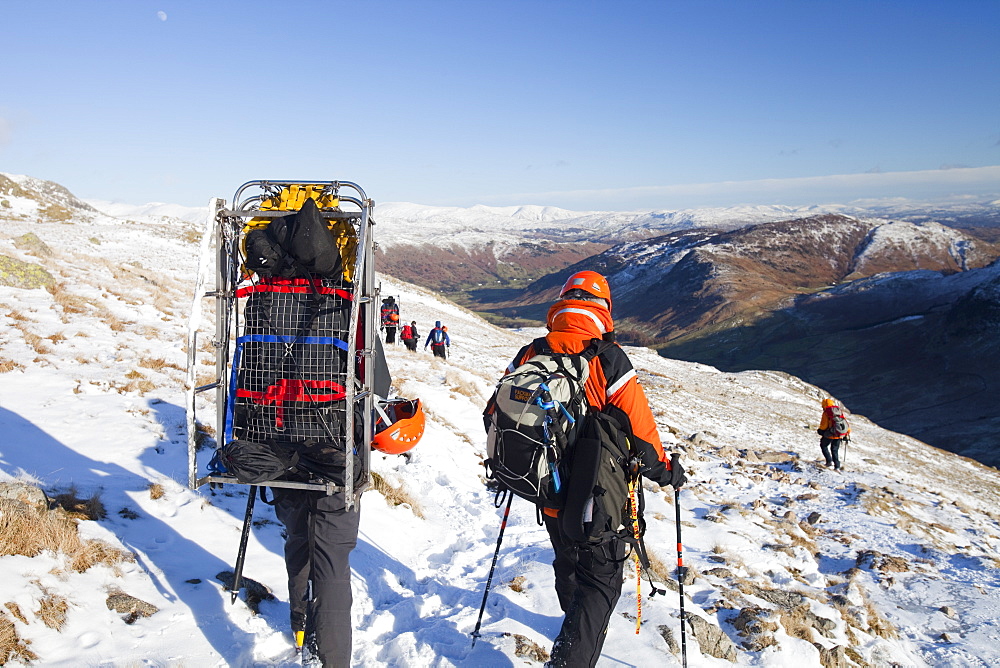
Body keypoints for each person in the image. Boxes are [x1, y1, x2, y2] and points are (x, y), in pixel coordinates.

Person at [501, 270, 686, 668]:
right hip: (597, 497)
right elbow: (641, 432)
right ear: (603, 309)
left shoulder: (531, 353)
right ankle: (569, 657)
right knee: (600, 586)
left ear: (563, 303)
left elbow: (495, 413)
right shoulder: (607, 356)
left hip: (545, 488)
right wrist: (667, 472)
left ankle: (571, 627)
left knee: (568, 561)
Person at [271, 338, 392, 667]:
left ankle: (300, 629)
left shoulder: (263, 301)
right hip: (336, 456)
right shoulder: (351, 313)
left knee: (298, 539)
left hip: (275, 447)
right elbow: (379, 383)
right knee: (331, 563)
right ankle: (331, 660)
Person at [817, 397, 850, 470]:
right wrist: (847, 432)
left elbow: (824, 425)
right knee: (835, 450)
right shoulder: (838, 411)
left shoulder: (826, 412)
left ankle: (829, 461)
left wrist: (820, 430)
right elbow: (844, 422)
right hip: (839, 434)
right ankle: (837, 466)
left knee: (823, 446)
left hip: (830, 434)